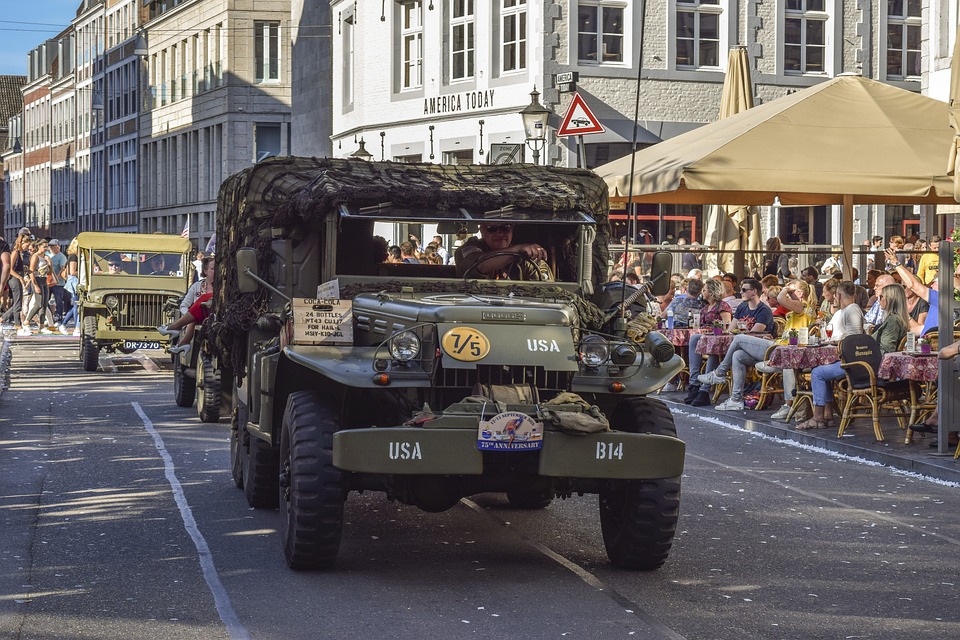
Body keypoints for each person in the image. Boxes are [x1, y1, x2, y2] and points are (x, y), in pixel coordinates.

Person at [695, 278, 777, 411]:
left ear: (754, 292)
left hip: (765, 350)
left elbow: (754, 334)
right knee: (737, 355)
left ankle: (719, 372)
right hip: (745, 347)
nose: (741, 292)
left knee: (739, 338)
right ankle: (736, 399)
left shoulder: (764, 310)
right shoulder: (742, 307)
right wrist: (735, 332)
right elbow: (730, 330)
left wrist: (737, 333)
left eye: (744, 290)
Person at [684, 279, 733, 406]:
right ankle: (694, 383)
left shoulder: (722, 306)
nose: (702, 292)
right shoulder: (705, 307)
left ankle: (704, 390)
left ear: (711, 292)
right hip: (705, 339)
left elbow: (727, 325)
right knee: (694, 338)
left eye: (704, 290)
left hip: (719, 341)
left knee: (712, 350)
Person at [158, 256, 216, 354]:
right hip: (201, 318)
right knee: (193, 317)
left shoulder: (222, 286)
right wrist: (188, 315)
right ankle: (183, 340)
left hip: (212, 315)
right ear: (205, 271)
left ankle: (176, 329)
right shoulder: (197, 286)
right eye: (213, 269)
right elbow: (184, 305)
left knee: (202, 299)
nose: (216, 271)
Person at [454, 222, 551, 280]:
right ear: (482, 230)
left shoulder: (527, 257)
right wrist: (516, 250)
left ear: (512, 229)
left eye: (506, 227)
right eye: (492, 228)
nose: (500, 233)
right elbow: (478, 264)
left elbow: (546, 289)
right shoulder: (468, 249)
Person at [2, 229, 33, 330]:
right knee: (18, 301)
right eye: (27, 245)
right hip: (14, 277)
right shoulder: (15, 252)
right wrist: (20, 277)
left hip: (19, 276)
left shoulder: (21, 253)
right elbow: (10, 269)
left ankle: (4, 319)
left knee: (18, 301)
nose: (27, 248)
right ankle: (17, 324)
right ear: (21, 243)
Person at [47, 239, 68, 323]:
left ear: (58, 247)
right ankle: (49, 316)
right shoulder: (47, 255)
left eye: (53, 246)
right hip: (48, 282)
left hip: (58, 283)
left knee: (58, 300)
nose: (51, 248)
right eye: (50, 246)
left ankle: (58, 316)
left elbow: (63, 268)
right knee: (46, 300)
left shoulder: (62, 257)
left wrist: (56, 277)